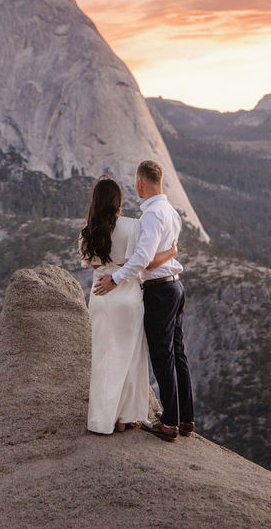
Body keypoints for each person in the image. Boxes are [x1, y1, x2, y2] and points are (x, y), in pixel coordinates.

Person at [93, 160, 193, 442]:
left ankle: (170, 424)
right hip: (176, 286)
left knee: (163, 357)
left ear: (140, 183)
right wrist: (170, 254)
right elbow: (165, 252)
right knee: (179, 354)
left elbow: (143, 259)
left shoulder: (150, 215)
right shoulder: (171, 212)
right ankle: (185, 418)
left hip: (159, 290)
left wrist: (116, 279)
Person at [80, 177, 177, 435]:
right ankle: (125, 418)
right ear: (118, 202)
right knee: (130, 357)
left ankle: (101, 420)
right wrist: (170, 254)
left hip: (101, 295)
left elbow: (93, 265)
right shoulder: (133, 226)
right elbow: (141, 261)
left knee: (104, 358)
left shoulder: (88, 230)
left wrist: (110, 270)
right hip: (128, 296)